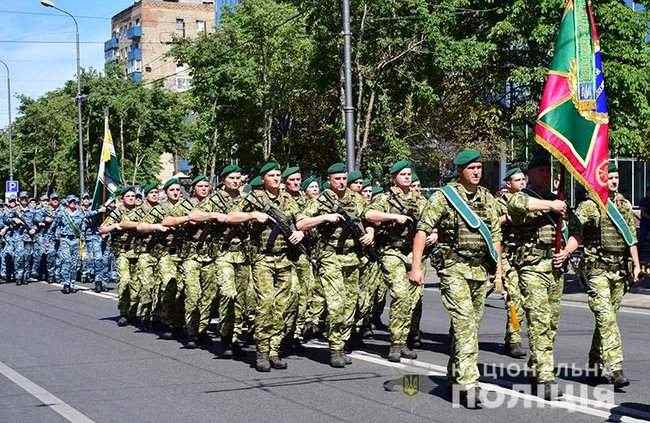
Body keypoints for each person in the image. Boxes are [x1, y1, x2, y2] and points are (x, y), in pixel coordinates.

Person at [409, 149, 502, 407]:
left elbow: (495, 236)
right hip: (454, 268)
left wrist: (499, 271)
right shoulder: (444, 197)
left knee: (469, 326)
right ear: (460, 170)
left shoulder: (487, 198)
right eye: (471, 168)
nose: (476, 172)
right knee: (465, 325)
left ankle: (455, 375)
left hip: (480, 270)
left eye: (480, 168)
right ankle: (469, 385)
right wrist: (416, 267)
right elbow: (422, 231)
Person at [555, 162, 641, 389]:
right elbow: (575, 230)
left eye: (616, 177)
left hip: (619, 271)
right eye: (609, 177)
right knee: (606, 317)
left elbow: (631, 238)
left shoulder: (623, 204)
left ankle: (595, 364)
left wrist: (637, 265)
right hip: (597, 270)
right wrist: (566, 250)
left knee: (607, 319)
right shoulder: (592, 205)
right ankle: (616, 367)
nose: (614, 181)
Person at [298, 162, 373, 368]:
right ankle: (335, 347)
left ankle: (342, 342)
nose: (341, 182)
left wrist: (370, 233)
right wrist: (324, 217)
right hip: (330, 256)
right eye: (337, 179)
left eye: (343, 178)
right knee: (336, 303)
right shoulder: (321, 199)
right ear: (329, 180)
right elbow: (301, 223)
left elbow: (368, 218)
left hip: (353, 256)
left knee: (351, 302)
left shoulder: (355, 199)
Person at [507, 152, 567, 400]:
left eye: (548, 170)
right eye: (540, 170)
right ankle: (545, 376)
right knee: (539, 321)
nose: (545, 174)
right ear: (530, 174)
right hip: (531, 267)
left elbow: (572, 232)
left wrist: (567, 251)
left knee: (551, 323)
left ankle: (536, 366)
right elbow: (519, 206)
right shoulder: (523, 198)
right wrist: (551, 206)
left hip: (555, 267)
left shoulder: (558, 200)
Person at [241, 161, 305, 371]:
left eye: (278, 175)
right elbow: (231, 217)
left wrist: (300, 231)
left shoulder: (287, 199)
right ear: (263, 179)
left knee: (282, 306)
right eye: (272, 175)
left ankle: (274, 351)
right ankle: (261, 351)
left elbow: (301, 219)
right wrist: (252, 215)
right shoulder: (254, 197)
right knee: (266, 304)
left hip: (285, 258)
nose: (277, 178)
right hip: (263, 258)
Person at [366, 160, 428, 362]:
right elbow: (368, 214)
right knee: (400, 293)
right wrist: (393, 216)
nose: (407, 177)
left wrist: (434, 233)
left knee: (412, 300)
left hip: (414, 253)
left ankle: (403, 342)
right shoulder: (384, 198)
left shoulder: (419, 199)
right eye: (403, 174)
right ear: (394, 178)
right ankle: (395, 344)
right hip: (391, 251)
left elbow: (432, 220)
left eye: (409, 174)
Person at [100, 187, 147, 326]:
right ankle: (124, 312)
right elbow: (102, 229)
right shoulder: (118, 212)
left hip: (138, 252)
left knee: (136, 284)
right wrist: (115, 225)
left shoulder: (141, 211)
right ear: (122, 198)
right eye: (128, 196)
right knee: (125, 281)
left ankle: (132, 313)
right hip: (122, 252)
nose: (131, 198)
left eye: (133, 196)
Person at [498, 167, 528, 358]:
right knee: (514, 300)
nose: (522, 183)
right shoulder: (499, 202)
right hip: (508, 256)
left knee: (525, 302)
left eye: (523, 180)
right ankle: (515, 339)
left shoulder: (529, 200)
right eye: (518, 180)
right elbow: (493, 222)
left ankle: (511, 335)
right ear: (508, 183)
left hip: (526, 257)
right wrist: (509, 217)